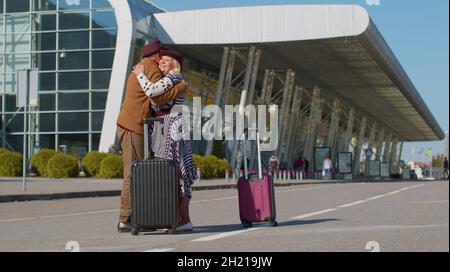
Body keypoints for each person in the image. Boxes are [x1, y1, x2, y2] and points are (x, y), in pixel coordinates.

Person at [116, 40, 188, 233]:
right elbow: (156, 96)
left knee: (138, 171)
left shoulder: (143, 67)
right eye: (162, 56)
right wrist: (179, 88)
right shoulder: (151, 69)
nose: (163, 60)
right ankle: (125, 218)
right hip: (134, 126)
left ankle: (143, 215)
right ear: (157, 56)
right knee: (133, 172)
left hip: (131, 124)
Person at [132, 49, 197, 232]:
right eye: (161, 60)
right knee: (175, 173)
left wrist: (140, 75)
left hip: (172, 126)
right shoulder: (174, 80)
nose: (162, 63)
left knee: (175, 172)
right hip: (171, 126)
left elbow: (152, 91)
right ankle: (180, 218)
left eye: (166, 61)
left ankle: (184, 219)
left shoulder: (173, 78)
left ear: (173, 64)